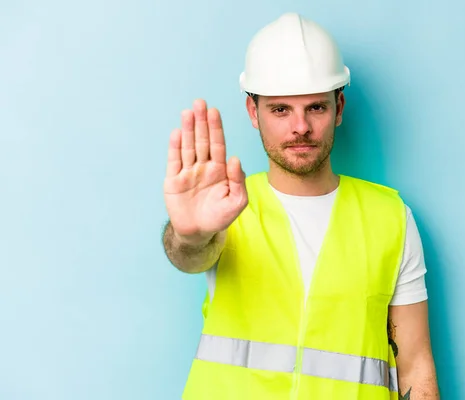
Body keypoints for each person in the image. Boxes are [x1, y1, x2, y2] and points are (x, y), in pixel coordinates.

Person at [162, 12, 440, 400]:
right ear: (252, 112)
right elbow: (188, 254)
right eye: (280, 110)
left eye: (316, 108)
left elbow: (416, 365)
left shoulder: (390, 218)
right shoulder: (225, 208)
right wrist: (189, 235)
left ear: (339, 107)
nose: (300, 128)